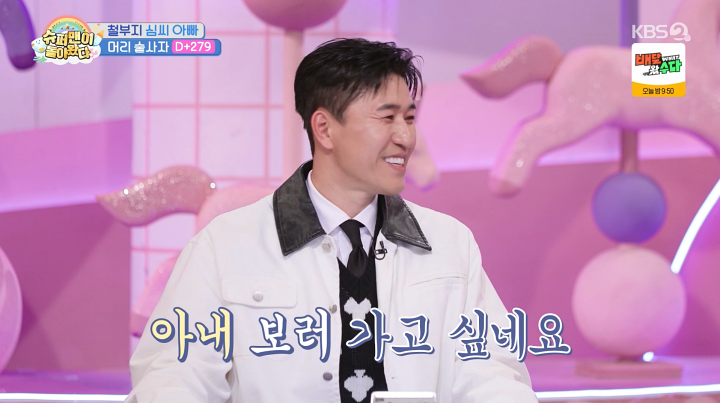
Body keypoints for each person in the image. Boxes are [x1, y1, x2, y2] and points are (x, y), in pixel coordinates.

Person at [127, 38, 537, 403]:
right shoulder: (225, 245)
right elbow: (174, 377)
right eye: (387, 117)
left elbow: (491, 375)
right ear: (324, 128)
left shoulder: (450, 243)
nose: (406, 137)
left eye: (410, 118)